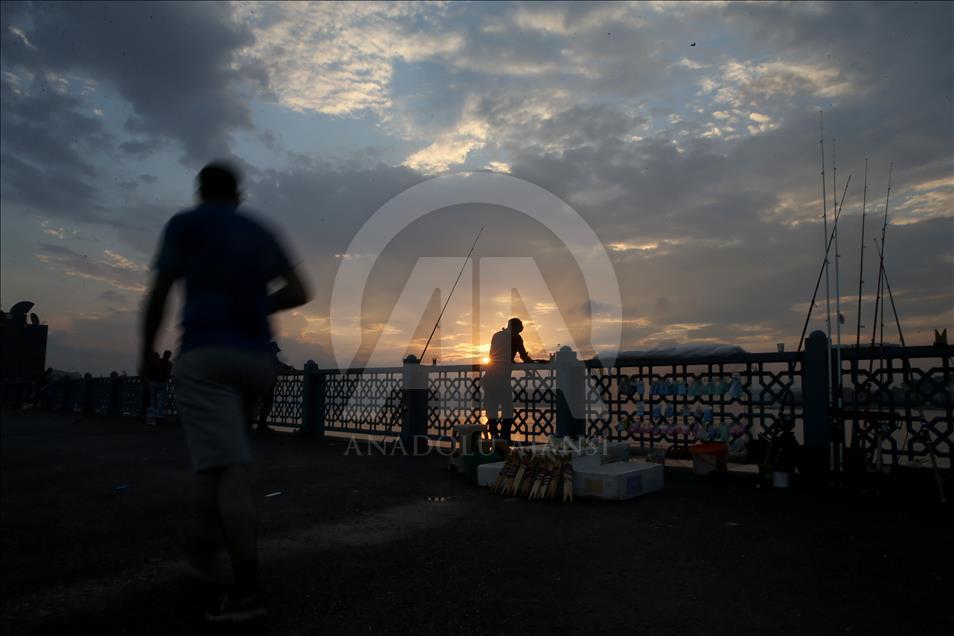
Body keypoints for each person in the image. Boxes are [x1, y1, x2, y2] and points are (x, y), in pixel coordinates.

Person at [139, 161, 310, 623]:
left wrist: (146, 355)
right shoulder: (259, 229)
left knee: (228, 465)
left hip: (206, 356)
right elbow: (300, 290)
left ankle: (248, 592)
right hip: (257, 362)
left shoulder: (186, 224)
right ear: (238, 194)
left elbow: (158, 296)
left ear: (201, 191)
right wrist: (258, 305)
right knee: (218, 460)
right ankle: (202, 548)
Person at [482, 317, 544, 441]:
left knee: (492, 410)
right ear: (516, 327)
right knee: (508, 410)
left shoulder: (496, 335)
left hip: (488, 377)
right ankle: (505, 439)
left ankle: (494, 437)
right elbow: (524, 357)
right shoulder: (516, 337)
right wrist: (535, 364)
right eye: (521, 327)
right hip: (501, 380)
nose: (522, 329)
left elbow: (495, 355)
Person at [255, 341, 292, 433]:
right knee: (266, 404)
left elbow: (279, 364)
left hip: (260, 383)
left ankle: (259, 424)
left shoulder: (264, 356)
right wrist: (289, 369)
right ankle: (261, 425)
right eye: (275, 350)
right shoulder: (270, 357)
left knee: (261, 404)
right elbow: (278, 365)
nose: (276, 352)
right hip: (267, 384)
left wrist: (288, 368)